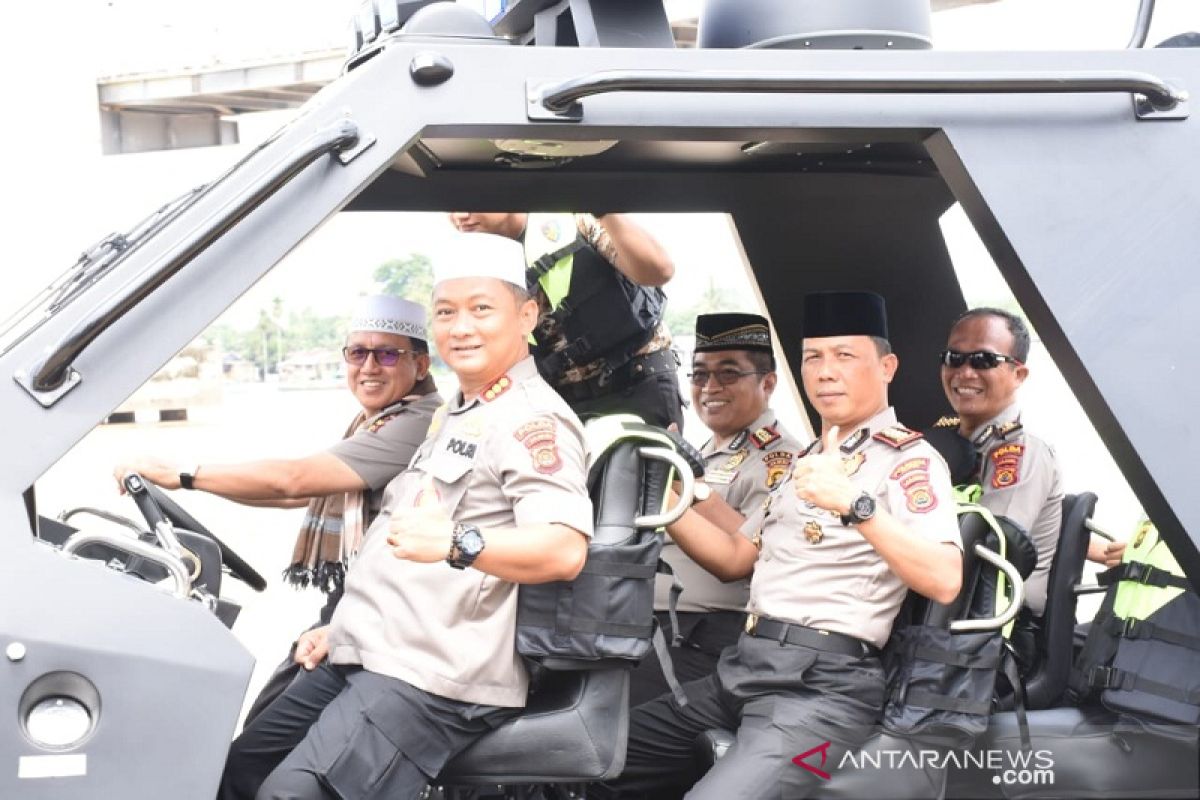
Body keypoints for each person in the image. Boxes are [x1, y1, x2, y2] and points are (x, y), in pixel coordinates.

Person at [217, 231, 594, 800]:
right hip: (370, 648)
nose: (461, 327)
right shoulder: (457, 413)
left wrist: (457, 542)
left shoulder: (532, 419)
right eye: (446, 312)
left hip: (434, 674)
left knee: (290, 795)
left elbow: (564, 550)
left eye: (481, 310)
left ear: (527, 316)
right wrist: (340, 628)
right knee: (235, 770)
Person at [600, 291, 963, 799]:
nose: (825, 372)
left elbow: (945, 578)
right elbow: (733, 559)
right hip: (742, 668)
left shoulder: (909, 462)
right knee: (596, 760)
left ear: (887, 367)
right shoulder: (805, 462)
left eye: (845, 357)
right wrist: (660, 492)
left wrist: (855, 505)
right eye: (813, 358)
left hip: (822, 692)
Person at [114, 295, 442, 722]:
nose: (368, 366)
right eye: (358, 353)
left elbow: (294, 479)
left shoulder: (419, 421)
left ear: (420, 365)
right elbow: (294, 494)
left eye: (386, 354)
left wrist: (181, 474)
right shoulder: (375, 423)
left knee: (253, 756)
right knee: (263, 713)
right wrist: (194, 487)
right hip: (355, 602)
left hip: (381, 613)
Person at [628, 312, 803, 707]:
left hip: (707, 635)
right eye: (699, 374)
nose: (710, 387)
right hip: (651, 625)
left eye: (728, 374)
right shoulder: (701, 452)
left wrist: (682, 487)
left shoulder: (782, 459)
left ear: (768, 382)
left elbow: (754, 550)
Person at [937, 307, 1123, 620]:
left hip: (988, 632)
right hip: (940, 615)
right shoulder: (938, 441)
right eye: (954, 358)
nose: (965, 372)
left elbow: (985, 547)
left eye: (984, 360)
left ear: (1019, 374)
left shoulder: (1022, 455)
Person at [448, 212, 684, 429]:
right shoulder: (476, 266)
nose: (460, 216)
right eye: (450, 207)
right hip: (560, 407)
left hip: (638, 386)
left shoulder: (575, 220)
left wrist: (604, 208)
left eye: (472, 201)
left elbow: (659, 270)